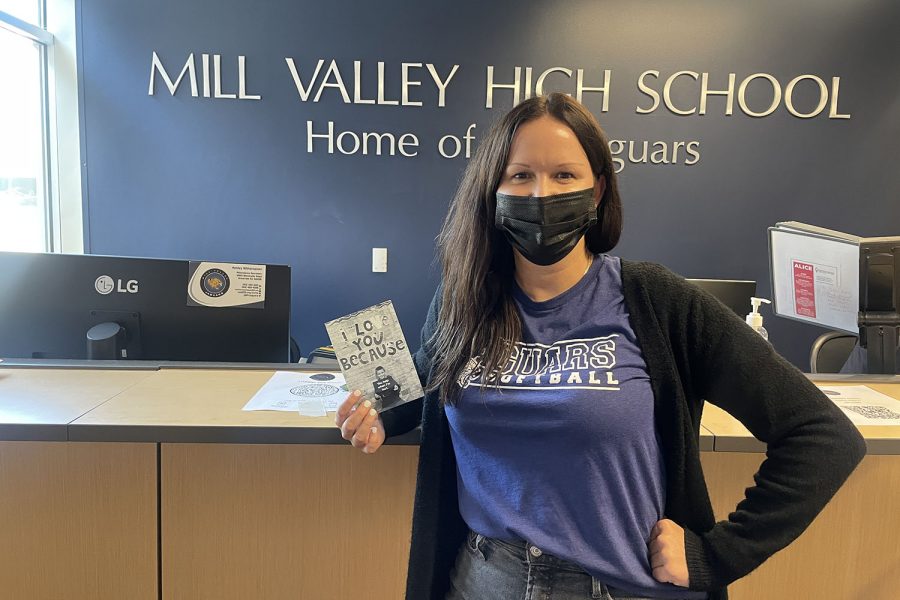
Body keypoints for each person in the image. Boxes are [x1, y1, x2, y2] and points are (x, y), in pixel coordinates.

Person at [335, 93, 866, 600]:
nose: (541, 194)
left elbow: (824, 435)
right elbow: (433, 376)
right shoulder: (465, 299)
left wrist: (718, 554)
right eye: (520, 175)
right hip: (485, 579)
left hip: (621, 586)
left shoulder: (655, 301)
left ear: (597, 191)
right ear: (492, 193)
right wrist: (382, 413)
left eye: (564, 174)